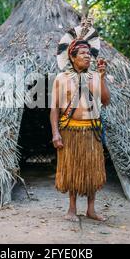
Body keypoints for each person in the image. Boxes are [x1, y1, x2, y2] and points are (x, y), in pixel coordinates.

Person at [50, 20, 111, 222]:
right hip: (70, 131)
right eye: (83, 54)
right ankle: (72, 209)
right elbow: (54, 110)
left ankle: (91, 209)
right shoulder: (61, 78)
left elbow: (105, 101)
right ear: (72, 57)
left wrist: (101, 78)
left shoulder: (95, 76)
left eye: (88, 53)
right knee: (73, 171)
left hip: (92, 131)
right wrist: (55, 133)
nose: (87, 56)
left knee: (92, 171)